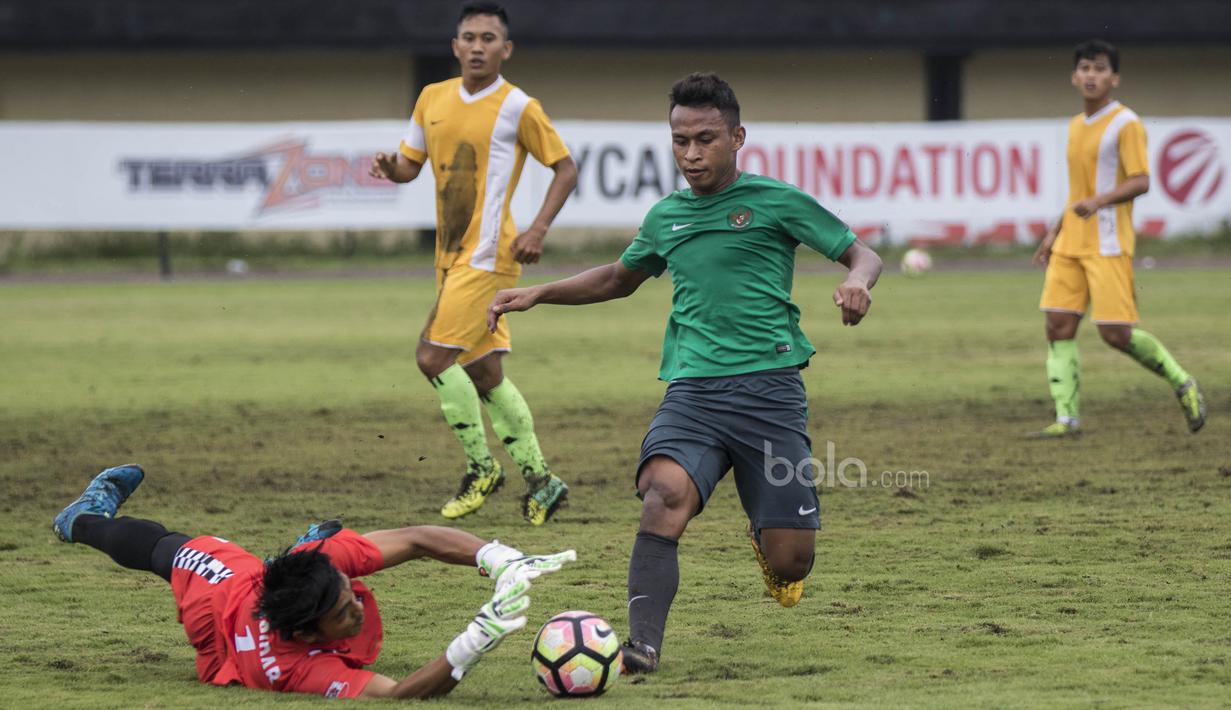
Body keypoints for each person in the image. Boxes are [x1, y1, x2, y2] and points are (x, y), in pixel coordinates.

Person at [487, 73, 883, 673]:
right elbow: (617, 279)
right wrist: (540, 293)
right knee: (663, 495)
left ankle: (766, 536)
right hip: (693, 392)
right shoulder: (666, 216)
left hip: (770, 393)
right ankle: (642, 646)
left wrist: (856, 281)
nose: (691, 154)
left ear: (737, 138)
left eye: (705, 139)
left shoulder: (775, 201)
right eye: (680, 141)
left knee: (793, 561)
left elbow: (862, 253)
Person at [51, 464, 576, 699]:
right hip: (219, 624)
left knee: (183, 551)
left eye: (349, 594)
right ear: (307, 635)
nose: (358, 606)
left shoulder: (326, 567)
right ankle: (81, 520)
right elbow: (397, 694)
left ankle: (295, 550)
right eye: (345, 611)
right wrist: (472, 642)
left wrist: (501, 558)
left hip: (259, 577)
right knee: (170, 555)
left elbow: (417, 539)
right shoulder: (294, 667)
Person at [369, 2, 578, 524]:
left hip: (489, 256)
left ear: (506, 49)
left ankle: (482, 469)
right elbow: (410, 167)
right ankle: (543, 481)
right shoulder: (432, 98)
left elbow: (566, 168)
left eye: (489, 38)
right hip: (450, 256)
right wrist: (390, 168)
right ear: (455, 46)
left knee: (432, 357)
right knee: (484, 372)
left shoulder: (518, 106)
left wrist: (537, 228)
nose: (478, 46)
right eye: (469, 37)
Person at [1031, 39, 1206, 438]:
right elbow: (1078, 191)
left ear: (1115, 78)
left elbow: (1141, 180)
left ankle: (1182, 382)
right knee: (1058, 325)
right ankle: (1067, 419)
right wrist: (1055, 232)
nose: (1091, 75)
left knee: (1115, 333)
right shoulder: (1075, 126)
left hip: (1107, 242)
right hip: (1071, 244)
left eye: (1100, 68)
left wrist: (1099, 201)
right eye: (1085, 68)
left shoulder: (1126, 124)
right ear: (1074, 77)